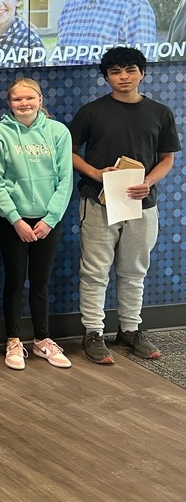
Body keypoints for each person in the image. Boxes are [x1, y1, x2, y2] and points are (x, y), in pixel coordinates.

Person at [70, 46, 179, 363]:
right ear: (106, 77)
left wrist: (149, 182)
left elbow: (167, 158)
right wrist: (95, 173)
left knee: (134, 271)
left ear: (142, 73)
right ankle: (93, 332)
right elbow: (69, 151)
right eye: (116, 71)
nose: (123, 77)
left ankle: (130, 330)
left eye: (130, 70)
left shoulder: (160, 113)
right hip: (98, 202)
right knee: (94, 272)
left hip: (142, 205)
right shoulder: (91, 112)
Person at [0, 78, 74, 370]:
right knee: (14, 281)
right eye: (17, 100)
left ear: (40, 99)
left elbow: (65, 180)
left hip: (48, 220)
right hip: (13, 221)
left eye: (29, 98)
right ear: (8, 103)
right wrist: (15, 219)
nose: (24, 104)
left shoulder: (58, 131)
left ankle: (42, 340)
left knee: (40, 283)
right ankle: (13, 340)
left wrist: (50, 219)